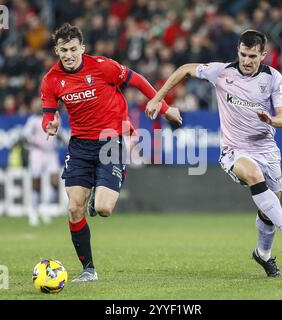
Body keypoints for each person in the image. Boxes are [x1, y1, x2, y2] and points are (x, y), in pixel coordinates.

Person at [146, 30, 282, 277]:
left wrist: (271, 120)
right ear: (238, 51)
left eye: (252, 56)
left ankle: (263, 255)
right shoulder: (222, 72)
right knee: (253, 175)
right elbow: (186, 68)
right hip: (235, 150)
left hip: (266, 149)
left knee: (268, 209)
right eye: (243, 54)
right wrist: (158, 97)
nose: (247, 60)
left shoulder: (274, 79)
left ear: (263, 55)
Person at [41, 23, 182, 282]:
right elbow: (48, 115)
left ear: (82, 48)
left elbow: (137, 80)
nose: (69, 54)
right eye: (64, 50)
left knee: (104, 209)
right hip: (80, 145)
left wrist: (164, 107)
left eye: (73, 49)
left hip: (110, 141)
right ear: (57, 51)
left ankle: (104, 189)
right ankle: (89, 269)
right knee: (74, 209)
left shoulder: (104, 66)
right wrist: (50, 124)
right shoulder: (51, 80)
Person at [22, 97, 67, 227]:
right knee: (36, 181)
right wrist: (32, 141)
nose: (39, 107)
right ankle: (34, 212)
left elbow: (60, 133)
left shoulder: (54, 118)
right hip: (37, 153)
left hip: (51, 153)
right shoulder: (33, 120)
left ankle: (45, 208)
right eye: (37, 104)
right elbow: (25, 136)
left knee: (54, 181)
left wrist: (63, 139)